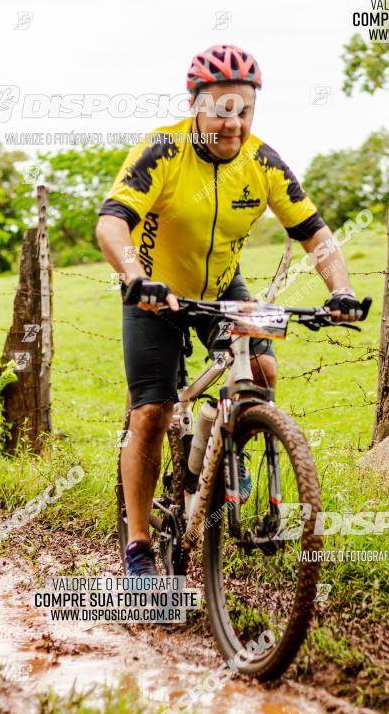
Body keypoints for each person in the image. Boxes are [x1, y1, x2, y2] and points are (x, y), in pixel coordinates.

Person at [96, 44, 364, 577]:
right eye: (222, 109)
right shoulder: (163, 152)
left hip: (222, 289)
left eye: (244, 109)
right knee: (150, 412)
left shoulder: (262, 161)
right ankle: (140, 548)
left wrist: (342, 291)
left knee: (262, 369)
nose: (234, 122)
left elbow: (316, 235)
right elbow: (111, 223)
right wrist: (136, 278)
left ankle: (229, 442)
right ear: (196, 105)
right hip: (156, 292)